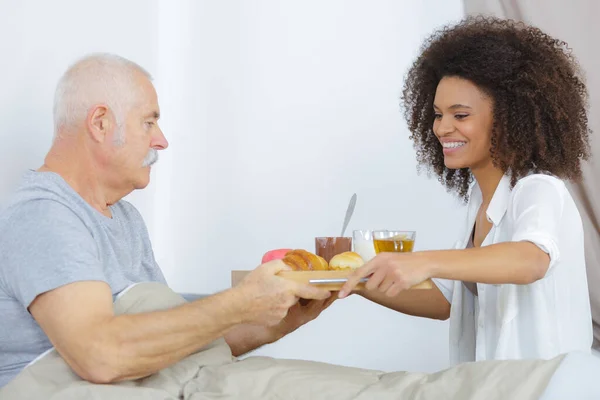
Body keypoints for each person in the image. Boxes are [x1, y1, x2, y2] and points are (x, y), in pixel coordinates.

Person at [0, 53, 334, 388]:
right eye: (148, 122)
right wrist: (241, 301)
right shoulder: (43, 213)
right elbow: (99, 355)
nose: (161, 140)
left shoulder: (126, 218)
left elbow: (172, 345)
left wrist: (276, 318)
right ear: (100, 122)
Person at [340, 17, 594, 364]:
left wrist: (424, 261)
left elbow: (531, 260)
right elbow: (448, 301)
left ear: (509, 116)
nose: (442, 128)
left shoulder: (539, 187)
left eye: (460, 115)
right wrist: (348, 281)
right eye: (438, 114)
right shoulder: (481, 200)